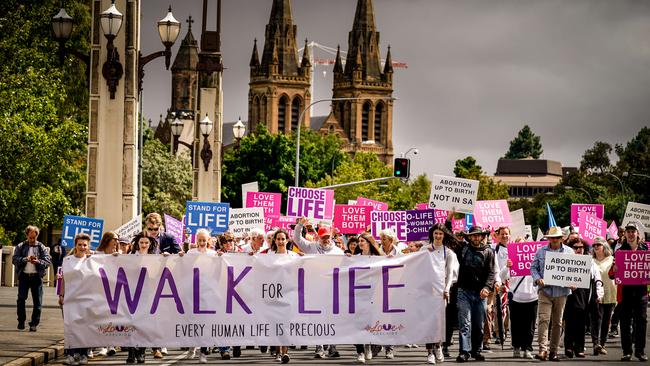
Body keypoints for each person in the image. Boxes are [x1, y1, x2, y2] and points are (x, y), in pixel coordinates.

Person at [293, 217, 343, 359]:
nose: (326, 239)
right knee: (317, 319)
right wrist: (300, 225)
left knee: (332, 319)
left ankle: (332, 347)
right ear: (318, 237)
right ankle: (319, 347)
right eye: (323, 237)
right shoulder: (311, 247)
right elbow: (297, 239)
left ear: (331, 236)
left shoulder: (338, 252)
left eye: (327, 237)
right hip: (315, 289)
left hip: (332, 290)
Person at [530, 226, 574, 362]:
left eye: (556, 237)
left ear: (562, 238)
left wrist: (573, 282)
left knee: (557, 322)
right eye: (551, 238)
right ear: (548, 239)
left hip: (562, 292)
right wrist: (537, 278)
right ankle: (542, 350)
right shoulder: (541, 251)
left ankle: (553, 351)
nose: (554, 240)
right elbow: (533, 267)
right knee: (543, 320)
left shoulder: (569, 252)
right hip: (545, 291)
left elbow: (574, 271)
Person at [454, 225, 496, 363]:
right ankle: (464, 352)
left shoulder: (489, 252)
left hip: (480, 294)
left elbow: (491, 273)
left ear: (482, 236)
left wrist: (487, 287)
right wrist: (449, 219)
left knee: (478, 324)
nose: (476, 237)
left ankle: (477, 351)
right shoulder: (462, 249)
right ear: (469, 237)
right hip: (463, 291)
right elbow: (448, 238)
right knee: (464, 323)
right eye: (473, 235)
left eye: (479, 235)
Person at [422, 223, 459, 364]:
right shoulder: (424, 250)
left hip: (440, 292)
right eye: (436, 233)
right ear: (432, 234)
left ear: (444, 236)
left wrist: (446, 289)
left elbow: (450, 273)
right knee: (428, 322)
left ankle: (438, 346)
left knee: (438, 322)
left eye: (440, 234)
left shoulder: (448, 252)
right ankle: (429, 351)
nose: (438, 236)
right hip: (426, 291)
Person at [613, 222, 648, 362]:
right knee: (625, 322)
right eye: (628, 231)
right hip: (626, 293)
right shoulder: (620, 251)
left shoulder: (645, 251)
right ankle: (627, 351)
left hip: (641, 294)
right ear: (625, 234)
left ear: (637, 233)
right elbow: (612, 273)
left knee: (641, 322)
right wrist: (614, 269)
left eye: (633, 231)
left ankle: (640, 351)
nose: (631, 234)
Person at [563, 238, 603, 359]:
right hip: (568, 293)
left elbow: (597, 278)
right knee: (569, 321)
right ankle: (568, 347)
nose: (579, 250)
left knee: (581, 320)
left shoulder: (590, 262)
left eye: (581, 247)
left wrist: (599, 293)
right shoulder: (565, 261)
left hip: (584, 294)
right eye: (575, 247)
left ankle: (579, 348)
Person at [346, 233, 381, 364]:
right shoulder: (356, 258)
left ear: (369, 242)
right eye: (359, 241)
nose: (360, 243)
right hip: (358, 293)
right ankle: (360, 351)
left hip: (373, 294)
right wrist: (348, 259)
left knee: (370, 322)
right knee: (357, 323)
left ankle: (368, 344)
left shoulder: (378, 257)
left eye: (362, 241)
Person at [501, 239, 538, 360]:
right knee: (516, 324)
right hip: (516, 296)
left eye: (524, 244)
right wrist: (507, 267)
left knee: (530, 325)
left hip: (532, 297)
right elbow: (501, 277)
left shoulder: (535, 262)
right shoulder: (511, 262)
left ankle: (527, 348)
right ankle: (516, 346)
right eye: (519, 245)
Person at [59, 233, 92, 365]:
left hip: (86, 299)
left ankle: (83, 355)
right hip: (71, 298)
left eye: (85, 245)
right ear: (75, 245)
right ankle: (71, 355)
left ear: (88, 246)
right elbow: (64, 279)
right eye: (80, 245)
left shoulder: (91, 260)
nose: (82, 247)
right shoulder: (67, 260)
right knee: (71, 327)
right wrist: (61, 295)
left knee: (84, 327)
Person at [13, 225, 52, 332]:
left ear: (37, 236)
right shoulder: (21, 246)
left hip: (36, 277)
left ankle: (34, 323)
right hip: (24, 276)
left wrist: (38, 261)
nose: (31, 240)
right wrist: (25, 259)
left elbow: (48, 261)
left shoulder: (41, 247)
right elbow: (14, 259)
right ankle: (21, 321)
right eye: (30, 238)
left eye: (34, 238)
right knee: (21, 299)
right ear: (27, 235)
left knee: (37, 302)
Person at [94, 232, 120, 357]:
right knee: (101, 317)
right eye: (114, 239)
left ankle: (110, 344)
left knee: (112, 317)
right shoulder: (97, 254)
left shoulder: (118, 255)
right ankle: (102, 345)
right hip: (100, 289)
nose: (116, 241)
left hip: (114, 290)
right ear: (107, 240)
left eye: (117, 239)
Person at [590, 236, 615, 356]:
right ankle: (596, 343)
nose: (595, 247)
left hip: (610, 293)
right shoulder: (590, 260)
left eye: (598, 245)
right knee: (596, 319)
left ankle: (603, 344)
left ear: (604, 246)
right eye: (594, 245)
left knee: (606, 320)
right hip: (596, 294)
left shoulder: (612, 259)